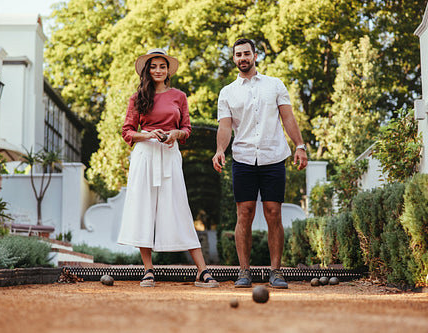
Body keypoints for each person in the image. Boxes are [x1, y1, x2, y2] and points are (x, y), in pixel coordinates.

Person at [118, 48, 219, 288]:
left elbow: (187, 129)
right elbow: (127, 132)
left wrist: (176, 133)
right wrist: (148, 134)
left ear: (168, 70)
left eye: (162, 66)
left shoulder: (179, 96)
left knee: (179, 206)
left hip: (170, 155)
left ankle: (202, 270)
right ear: (147, 70)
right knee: (144, 209)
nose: (158, 70)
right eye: (153, 66)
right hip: (145, 155)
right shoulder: (137, 97)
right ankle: (148, 270)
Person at [212, 39, 308, 289]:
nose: (242, 57)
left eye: (246, 53)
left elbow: (288, 117)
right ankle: (244, 271)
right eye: (238, 54)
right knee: (244, 213)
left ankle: (275, 271)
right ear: (234, 59)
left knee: (273, 213)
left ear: (255, 55)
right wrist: (220, 150)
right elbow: (224, 126)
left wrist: (300, 145)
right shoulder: (227, 92)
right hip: (243, 158)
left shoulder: (274, 85)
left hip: (273, 157)